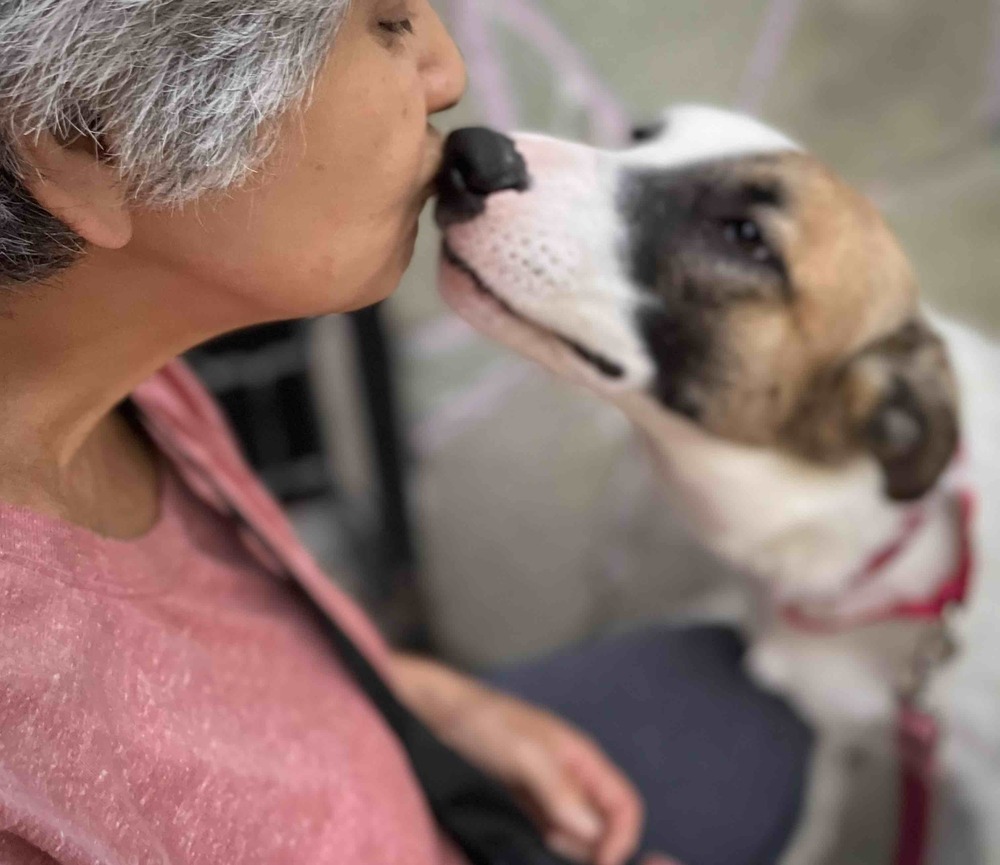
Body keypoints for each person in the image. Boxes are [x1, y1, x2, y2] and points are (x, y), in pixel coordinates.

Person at [0, 2, 811, 864]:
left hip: (411, 770)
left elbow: (230, 663)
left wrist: (409, 697)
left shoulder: (121, 366)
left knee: (746, 712)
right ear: (87, 134)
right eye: (382, 21)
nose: (447, 74)